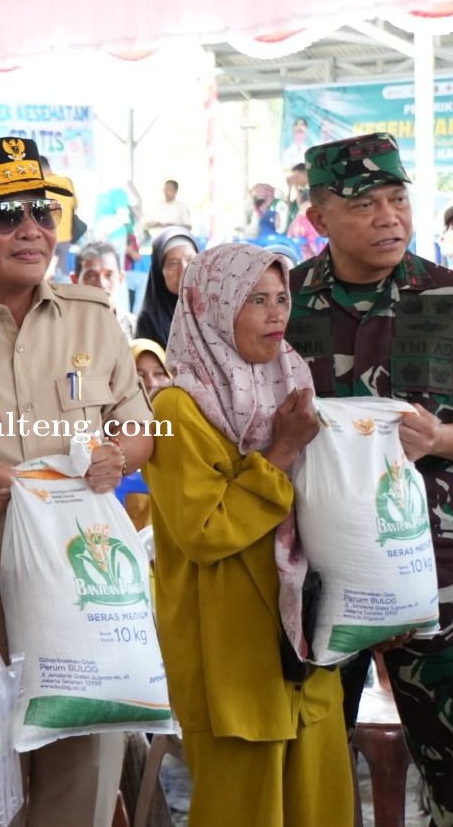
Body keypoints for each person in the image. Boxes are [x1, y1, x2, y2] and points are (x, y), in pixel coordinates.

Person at [0, 136, 155, 827]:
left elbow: (140, 426)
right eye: (8, 215)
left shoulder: (92, 314)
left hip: (87, 586)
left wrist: (118, 457)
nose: (33, 230)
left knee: (85, 776)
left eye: (43, 211)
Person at [286, 133, 453, 826]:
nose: (390, 216)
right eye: (366, 204)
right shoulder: (284, 304)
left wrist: (440, 437)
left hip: (437, 569)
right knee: (313, 770)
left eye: (398, 199)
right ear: (320, 218)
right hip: (314, 575)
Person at [145, 243, 352, 826]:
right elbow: (205, 530)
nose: (275, 314)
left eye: (281, 298)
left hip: (304, 645)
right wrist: (281, 453)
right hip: (228, 654)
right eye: (255, 300)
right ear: (211, 309)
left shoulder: (292, 384)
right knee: (245, 812)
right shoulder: (178, 409)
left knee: (321, 806)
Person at [135, 227, 197, 347]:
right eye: (173, 263)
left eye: (190, 259)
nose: (184, 270)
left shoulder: (213, 310)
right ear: (159, 271)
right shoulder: (149, 321)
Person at [74, 240, 134, 336]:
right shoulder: (61, 329)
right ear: (75, 280)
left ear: (121, 278)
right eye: (91, 276)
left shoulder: (136, 329)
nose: (102, 284)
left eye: (109, 275)